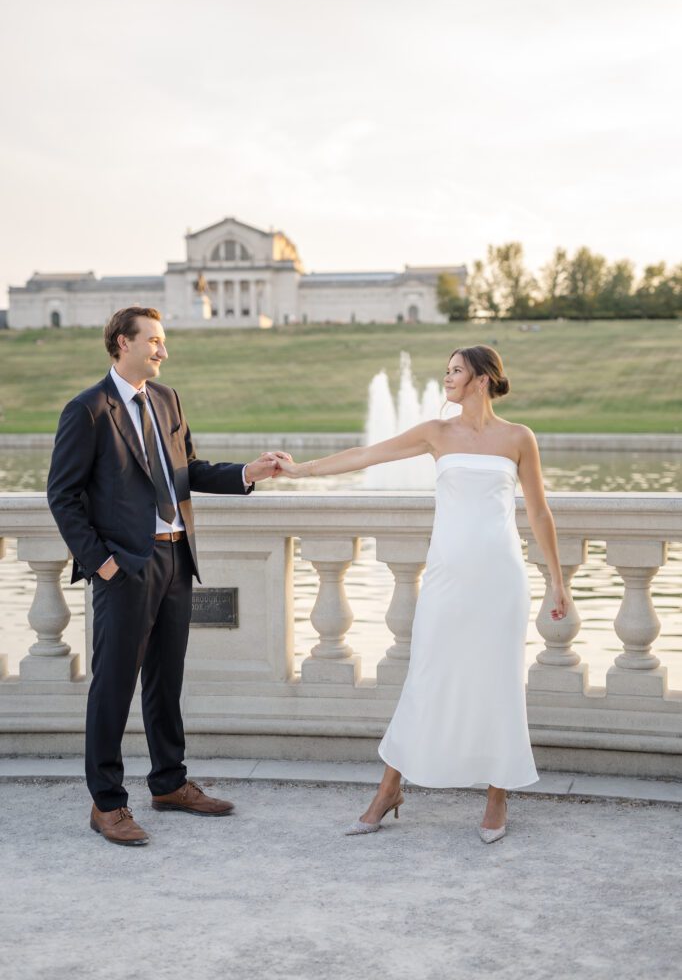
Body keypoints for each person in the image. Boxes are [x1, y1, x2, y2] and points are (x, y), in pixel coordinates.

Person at [274, 344, 568, 844]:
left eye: (456, 371)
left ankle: (497, 797)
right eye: (446, 370)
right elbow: (368, 454)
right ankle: (390, 789)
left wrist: (557, 581)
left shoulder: (519, 438)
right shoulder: (436, 433)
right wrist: (301, 471)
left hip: (500, 578)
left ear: (481, 379)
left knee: (499, 681)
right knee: (426, 677)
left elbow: (539, 513)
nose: (447, 378)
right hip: (447, 578)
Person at [47, 306, 284, 847]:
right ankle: (107, 803)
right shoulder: (87, 410)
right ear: (121, 344)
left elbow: (188, 471)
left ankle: (169, 783)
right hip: (125, 568)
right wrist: (102, 563)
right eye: (153, 341)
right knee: (113, 687)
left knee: (165, 680)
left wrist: (249, 472)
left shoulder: (166, 399)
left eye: (163, 341)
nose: (163, 350)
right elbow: (62, 496)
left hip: (177, 559)